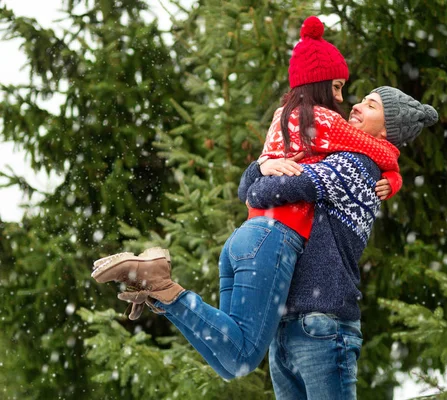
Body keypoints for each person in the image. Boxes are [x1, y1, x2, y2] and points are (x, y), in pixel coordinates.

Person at [91, 16, 403, 380]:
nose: (341, 99)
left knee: (232, 361)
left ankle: (161, 290)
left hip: (245, 238)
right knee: (242, 354)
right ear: (318, 84)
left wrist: (259, 169)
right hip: (275, 238)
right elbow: (366, 149)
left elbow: (248, 190)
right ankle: (160, 281)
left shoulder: (282, 117)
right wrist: (393, 165)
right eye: (336, 87)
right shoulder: (323, 123)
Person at [239, 86, 438, 399]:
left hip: (322, 324)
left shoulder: (357, 165)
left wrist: (260, 174)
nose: (357, 105)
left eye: (371, 106)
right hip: (291, 326)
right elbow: (253, 187)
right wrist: (260, 169)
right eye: (362, 99)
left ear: (387, 129)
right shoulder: (341, 157)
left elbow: (262, 193)